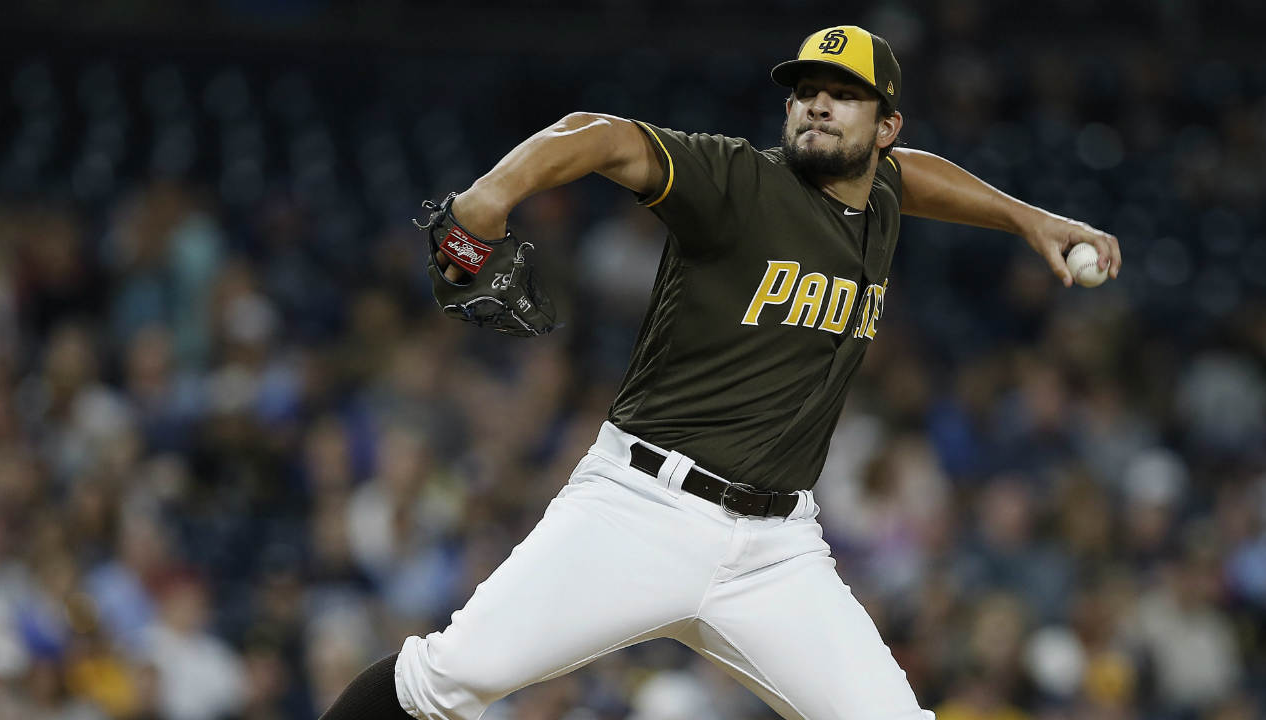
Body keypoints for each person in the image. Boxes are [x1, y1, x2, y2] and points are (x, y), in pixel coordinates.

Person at [319, 24, 1121, 720]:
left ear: (885, 127)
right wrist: (491, 195)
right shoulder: (737, 180)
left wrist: (1029, 219)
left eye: (844, 95)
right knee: (445, 679)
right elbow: (599, 134)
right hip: (640, 508)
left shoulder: (881, 197)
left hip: (777, 550)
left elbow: (915, 176)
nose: (818, 105)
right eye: (806, 91)